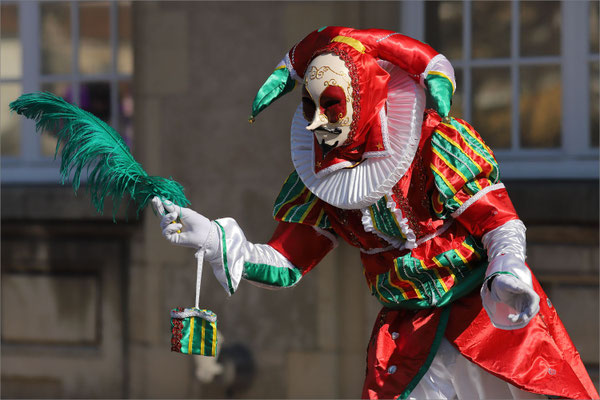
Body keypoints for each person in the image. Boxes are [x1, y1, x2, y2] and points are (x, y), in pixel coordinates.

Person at [153, 27, 598, 399]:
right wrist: (213, 237)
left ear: (364, 94)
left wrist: (507, 268)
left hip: (484, 316)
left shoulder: (431, 144)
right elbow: (286, 263)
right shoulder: (320, 179)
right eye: (309, 107)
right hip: (406, 335)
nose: (316, 123)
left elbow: (497, 219)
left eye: (330, 104)